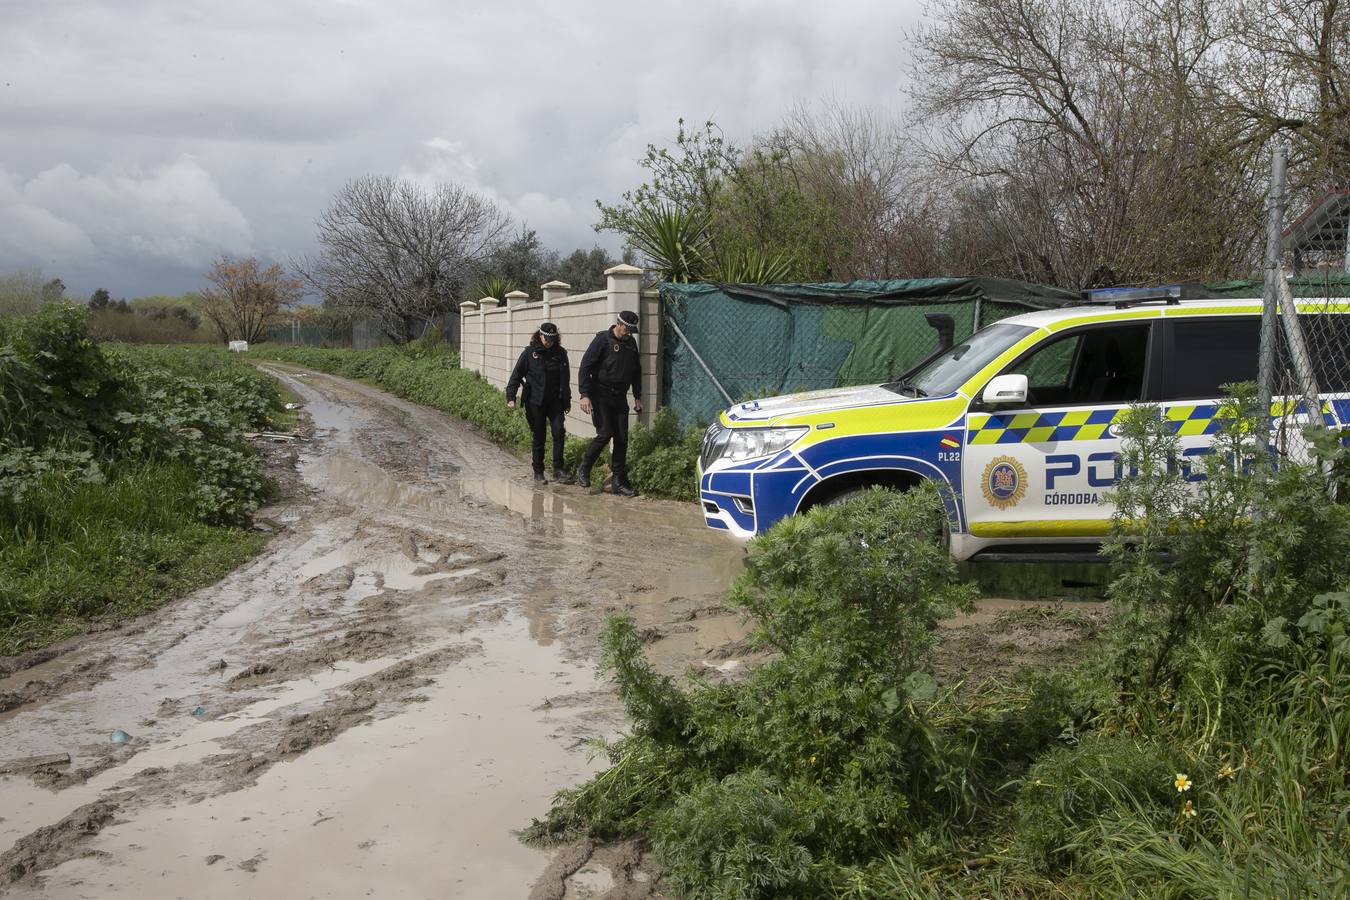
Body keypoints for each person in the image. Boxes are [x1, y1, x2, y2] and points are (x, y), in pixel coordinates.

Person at [576, 309, 643, 495]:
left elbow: (636, 371)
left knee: (622, 438)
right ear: (618, 325)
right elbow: (585, 367)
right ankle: (584, 468)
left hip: (620, 396)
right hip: (600, 395)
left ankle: (618, 481)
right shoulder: (602, 340)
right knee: (605, 433)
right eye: (626, 329)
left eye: (631, 330)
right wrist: (584, 394)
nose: (628, 333)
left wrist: (638, 396)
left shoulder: (631, 344)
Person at [506, 322, 572, 484]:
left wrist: (566, 400)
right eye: (547, 338)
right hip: (535, 400)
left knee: (558, 432)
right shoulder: (530, 353)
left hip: (555, 400)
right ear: (540, 336)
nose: (549, 342)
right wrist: (511, 397)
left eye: (552, 339)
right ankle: (538, 471)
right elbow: (516, 375)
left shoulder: (560, 354)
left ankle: (558, 470)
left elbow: (565, 379)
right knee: (539, 435)